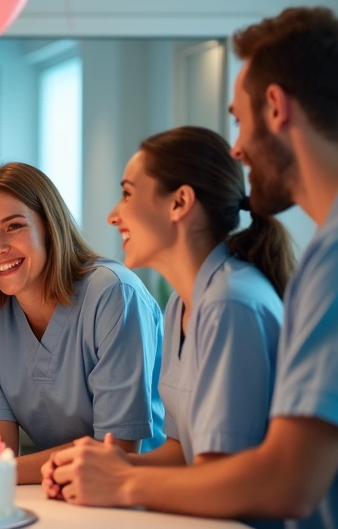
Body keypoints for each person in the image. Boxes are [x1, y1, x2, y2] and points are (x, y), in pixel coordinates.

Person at [47, 7, 338, 528]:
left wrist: (124, 481)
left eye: (239, 120)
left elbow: (287, 483)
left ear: (277, 107)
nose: (236, 148)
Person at [98, 127, 291, 525]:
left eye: (128, 194)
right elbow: (180, 452)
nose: (114, 214)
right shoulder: (183, 304)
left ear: (180, 203)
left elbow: (223, 484)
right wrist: (102, 469)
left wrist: (121, 482)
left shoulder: (231, 304)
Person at [0, 162, 165, 485]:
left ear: (49, 226)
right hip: (60, 493)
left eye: (13, 226)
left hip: (142, 499)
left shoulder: (113, 295)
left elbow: (117, 450)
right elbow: (2, 453)